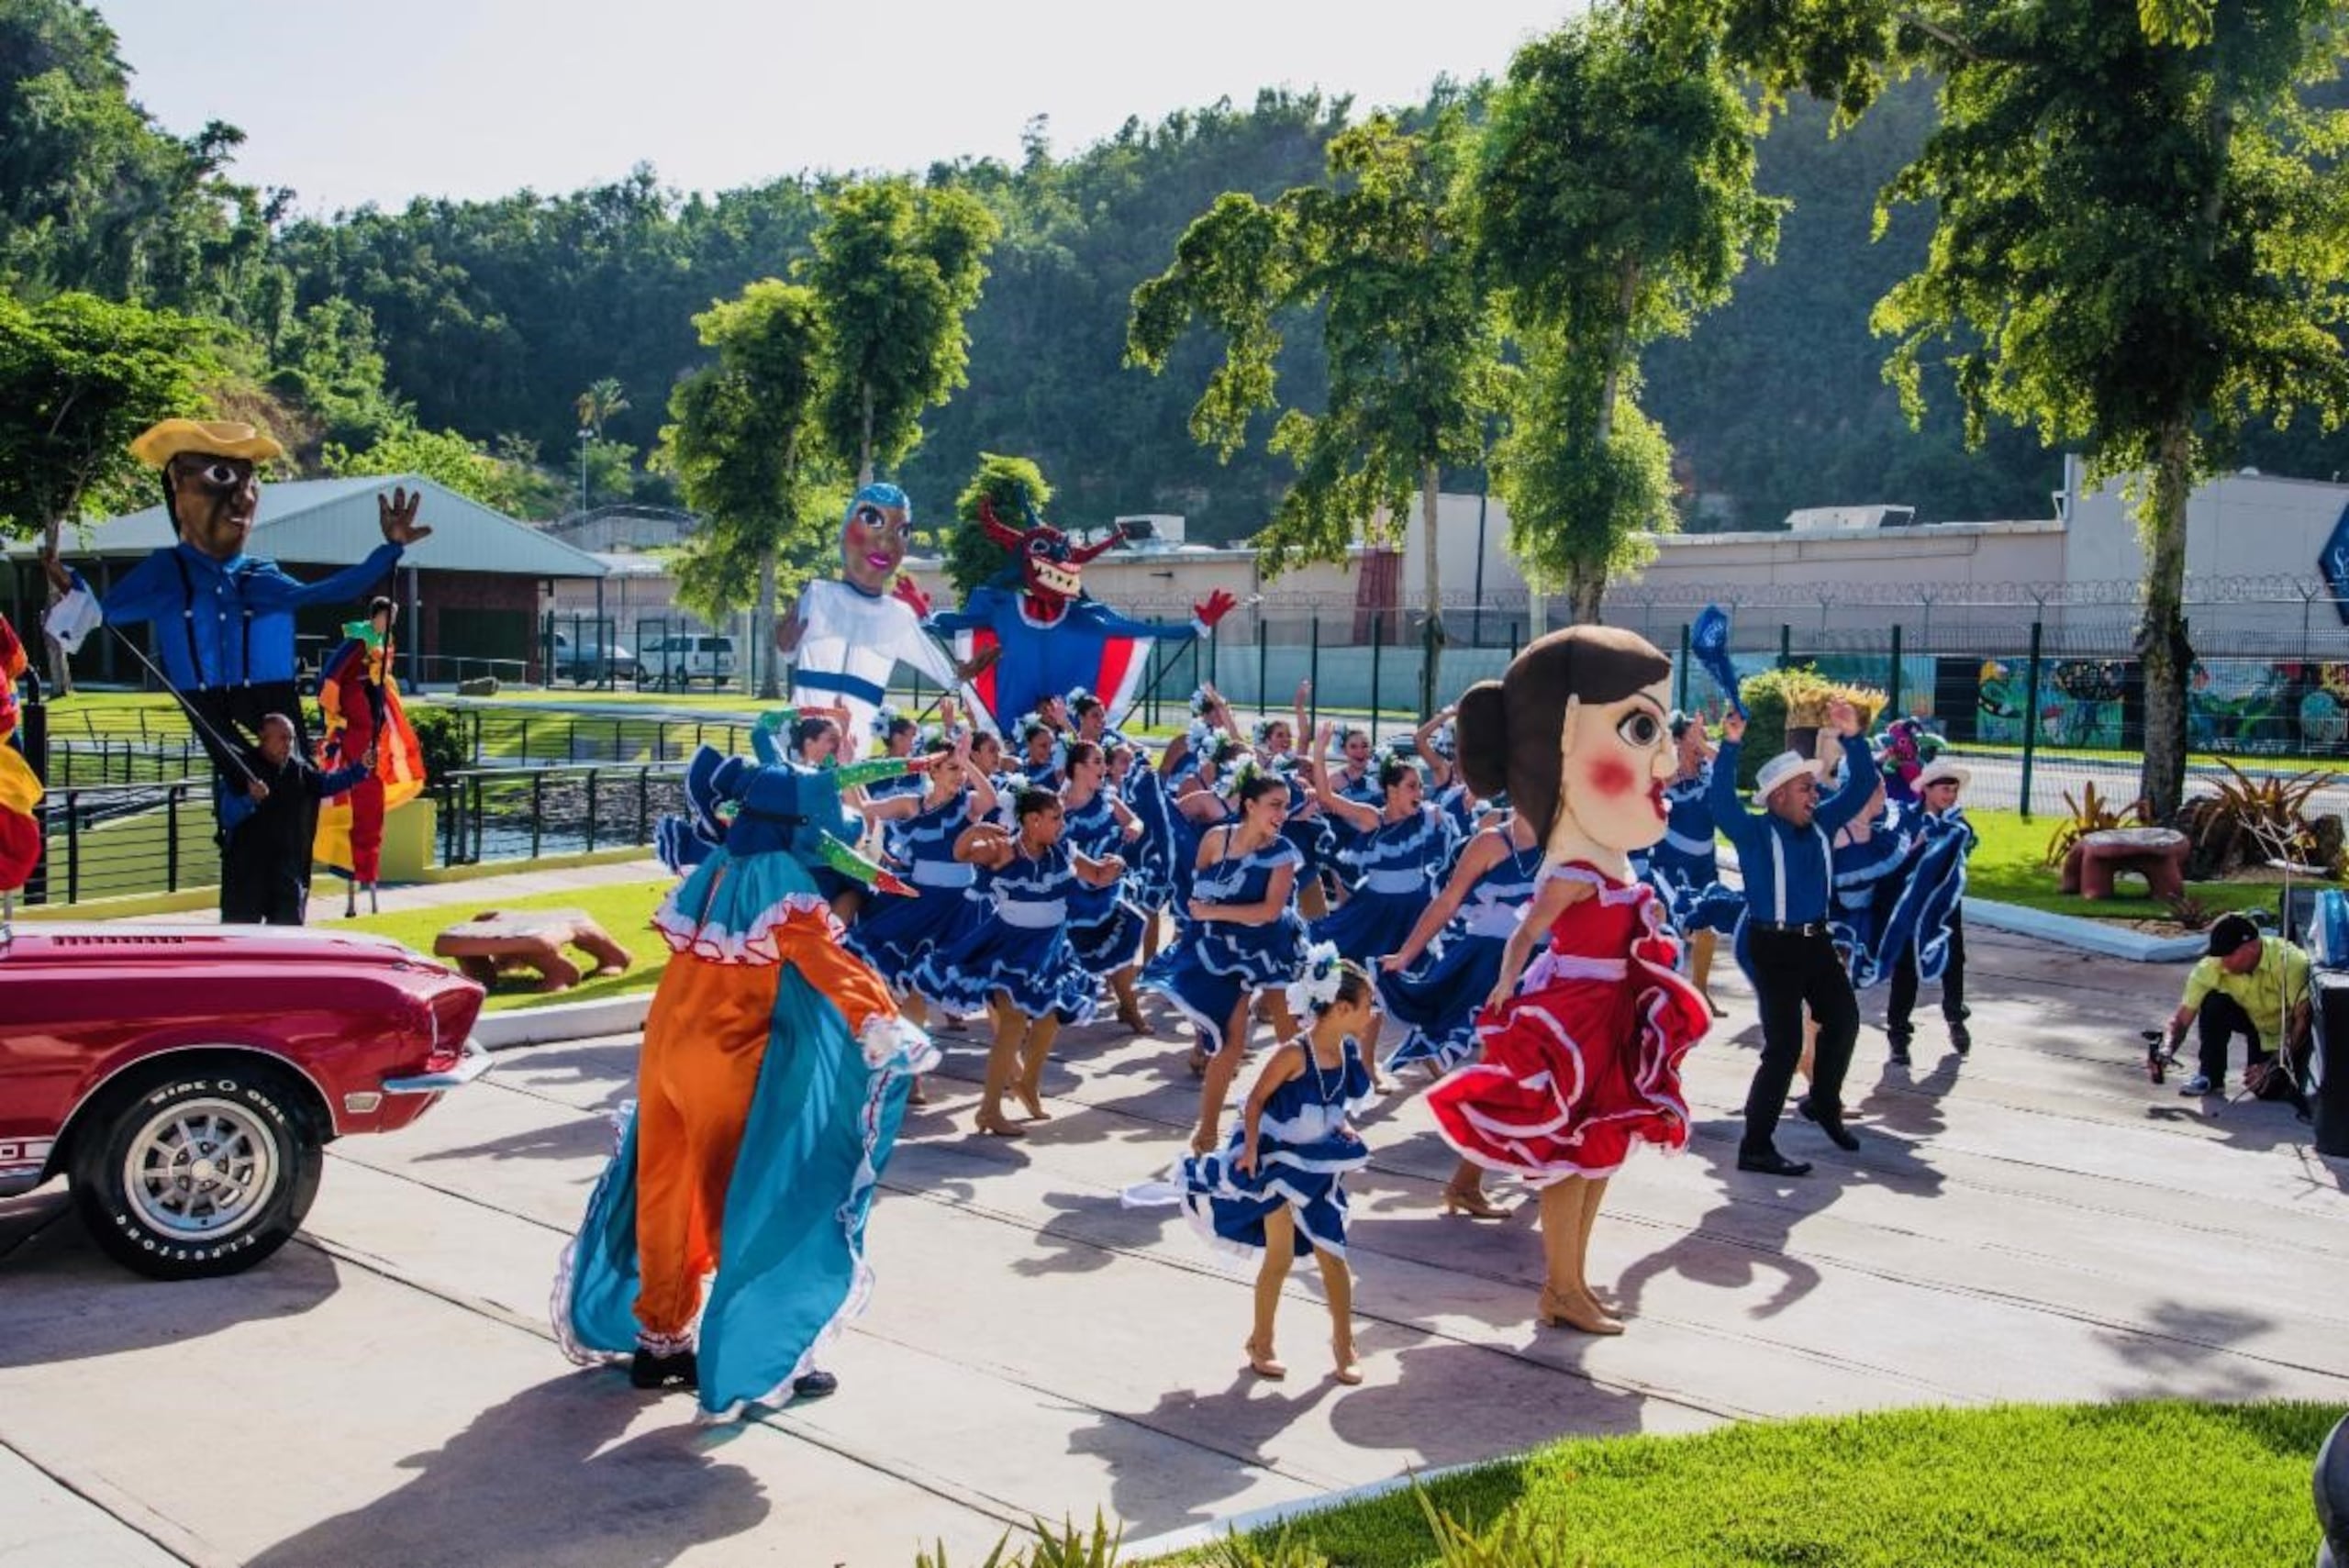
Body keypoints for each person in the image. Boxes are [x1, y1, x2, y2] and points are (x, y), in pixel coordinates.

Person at [555, 720, 936, 1416]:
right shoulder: (782, 886)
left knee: (663, 1191)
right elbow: (828, 963)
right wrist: (877, 1021)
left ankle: (661, 1340)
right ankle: (751, 1353)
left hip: (664, 1058)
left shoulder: (714, 872)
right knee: (753, 1199)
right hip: (726, 1068)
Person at [1423, 626, 1709, 1335]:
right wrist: (1505, 986)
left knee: (1603, 1149)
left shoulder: (1609, 858)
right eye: (1643, 730)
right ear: (1566, 747)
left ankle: (1574, 1282)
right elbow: (1525, 930)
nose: (1667, 758)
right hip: (1577, 1014)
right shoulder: (1575, 868)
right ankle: (1559, 1284)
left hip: (1611, 1009)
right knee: (1569, 1154)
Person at [44, 421, 425, 818]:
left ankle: (291, 868)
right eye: (220, 477)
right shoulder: (167, 571)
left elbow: (325, 591)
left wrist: (390, 549)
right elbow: (104, 611)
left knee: (296, 783)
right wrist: (72, 587)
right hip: (202, 696)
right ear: (177, 486)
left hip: (270, 693)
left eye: (249, 481)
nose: (241, 498)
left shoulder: (261, 575)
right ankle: (242, 850)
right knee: (242, 788)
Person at [1139, 943, 1375, 1385]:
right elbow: (1255, 1101)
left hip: (1318, 1170)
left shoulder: (1345, 1054)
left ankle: (1344, 1345)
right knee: (1280, 1257)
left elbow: (1332, 1103)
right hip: (1277, 1168)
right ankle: (1261, 1342)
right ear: (1341, 1008)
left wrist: (1340, 1128)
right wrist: (1249, 1150)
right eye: (1367, 1006)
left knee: (1334, 1257)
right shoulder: (1292, 1054)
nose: (1372, 1015)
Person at [1709, 701, 1878, 1175]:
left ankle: (1823, 1103)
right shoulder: (1754, 833)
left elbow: (1863, 785)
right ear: (1779, 795)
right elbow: (1720, 802)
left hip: (1816, 945)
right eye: (1806, 788)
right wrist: (1731, 744)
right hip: (1774, 947)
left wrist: (1852, 737)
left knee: (1843, 1021)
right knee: (1783, 1047)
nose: (1815, 796)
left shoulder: (1822, 824)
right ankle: (1755, 1146)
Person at [909, 787, 1124, 1136]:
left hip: (1049, 948)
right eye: (1056, 817)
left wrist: (1116, 865)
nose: (1062, 823)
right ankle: (989, 1110)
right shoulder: (1004, 850)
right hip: (1008, 947)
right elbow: (961, 853)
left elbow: (1098, 875)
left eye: (1062, 817)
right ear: (1032, 820)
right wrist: (974, 831)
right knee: (1011, 1023)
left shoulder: (1064, 850)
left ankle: (1027, 1084)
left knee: (1049, 1019)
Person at [1141, 770, 1309, 1155]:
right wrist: (1201, 921)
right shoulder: (1216, 839)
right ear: (1249, 805)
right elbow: (1199, 893)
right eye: (1275, 805)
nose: (1282, 814)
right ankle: (1208, 1129)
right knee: (1230, 1043)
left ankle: (1304, 1113)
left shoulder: (1282, 853)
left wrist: (1213, 913)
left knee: (1290, 1032)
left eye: (1285, 806)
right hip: (1224, 948)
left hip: (1272, 945)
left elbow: (1269, 912)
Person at [314, 596, 426, 917]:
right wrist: (337, 717)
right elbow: (331, 678)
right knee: (351, 808)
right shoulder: (358, 640)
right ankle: (353, 890)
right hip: (355, 733)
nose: (391, 621)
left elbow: (382, 683)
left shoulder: (384, 644)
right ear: (375, 615)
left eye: (395, 616)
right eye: (387, 615)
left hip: (373, 734)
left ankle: (369, 888)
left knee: (370, 814)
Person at [220, 713, 373, 925]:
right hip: (246, 870)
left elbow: (327, 784)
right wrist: (250, 799)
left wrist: (360, 769)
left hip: (285, 868)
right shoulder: (240, 769)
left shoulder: (298, 770)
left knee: (289, 932)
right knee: (241, 938)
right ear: (264, 737)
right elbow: (227, 817)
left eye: (291, 738)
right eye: (282, 738)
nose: (288, 744)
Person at [2166, 913, 2314, 1111]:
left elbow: (2302, 1021)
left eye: (2228, 954)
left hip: (2280, 1031)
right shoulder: (2212, 965)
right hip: (2248, 1017)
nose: (2222, 961)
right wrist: (2165, 1050)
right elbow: (2182, 1019)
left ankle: (2273, 1070)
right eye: (2218, 954)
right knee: (2213, 1002)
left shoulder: (2290, 962)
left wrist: (2272, 1066)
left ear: (2252, 947)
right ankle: (2210, 1075)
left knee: (2266, 1090)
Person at [1884, 758, 1975, 1062]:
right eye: (1945, 789)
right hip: (1912, 903)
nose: (1950, 795)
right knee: (1906, 966)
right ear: (1927, 790)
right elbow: (1895, 859)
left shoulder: (1958, 822)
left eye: (1954, 790)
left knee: (1953, 959)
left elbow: (1967, 845)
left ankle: (1955, 1017)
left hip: (1946, 904)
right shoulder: (1907, 819)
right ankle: (1898, 1035)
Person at [1651, 714, 1723, 1012]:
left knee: (1710, 926)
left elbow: (1726, 763)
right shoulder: (1667, 771)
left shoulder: (1708, 769)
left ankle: (1701, 991)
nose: (1702, 743)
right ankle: (1665, 994)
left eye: (1704, 736)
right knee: (1672, 926)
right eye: (1694, 736)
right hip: (1671, 861)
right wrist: (1678, 746)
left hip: (1704, 862)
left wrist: (1699, 741)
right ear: (1677, 740)